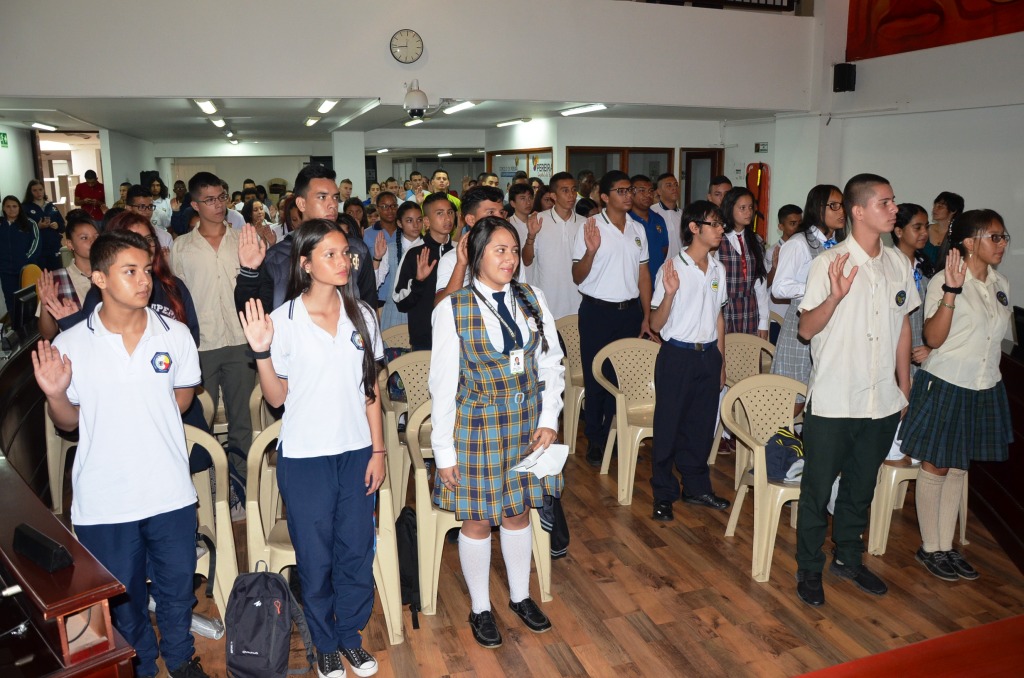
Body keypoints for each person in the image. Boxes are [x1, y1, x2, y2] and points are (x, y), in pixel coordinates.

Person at [34, 229, 209, 678]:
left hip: (168, 489)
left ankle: (180, 656)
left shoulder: (175, 334)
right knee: (121, 594)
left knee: (175, 589)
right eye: (129, 271)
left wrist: (139, 411)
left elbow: (185, 396)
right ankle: (141, 664)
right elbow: (68, 422)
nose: (143, 280)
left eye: (146, 270)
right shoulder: (72, 344)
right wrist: (55, 395)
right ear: (100, 278)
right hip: (105, 499)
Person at [239, 219, 385, 678]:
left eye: (347, 254)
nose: (344, 262)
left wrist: (378, 452)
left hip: (357, 452)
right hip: (304, 457)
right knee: (316, 556)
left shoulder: (363, 315)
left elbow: (371, 391)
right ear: (305, 264)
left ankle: (350, 638)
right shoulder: (283, 321)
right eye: (331, 255)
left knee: (357, 551)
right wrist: (262, 352)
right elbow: (276, 398)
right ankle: (324, 642)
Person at [429, 216, 565, 649]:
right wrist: (444, 452)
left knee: (518, 512)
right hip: (478, 425)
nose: (508, 259)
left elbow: (551, 364)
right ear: (475, 254)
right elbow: (442, 384)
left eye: (512, 249)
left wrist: (550, 418)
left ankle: (521, 597)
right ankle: (481, 607)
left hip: (527, 425)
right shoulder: (453, 308)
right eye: (498, 250)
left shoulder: (532, 297)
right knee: (477, 520)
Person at [794, 173, 917, 608]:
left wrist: (904, 385)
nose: (894, 209)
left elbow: (903, 324)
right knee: (816, 488)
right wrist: (835, 298)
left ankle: (847, 558)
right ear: (858, 211)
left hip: (881, 399)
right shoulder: (828, 265)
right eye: (885, 203)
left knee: (861, 487)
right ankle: (808, 567)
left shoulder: (900, 263)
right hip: (835, 398)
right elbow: (806, 330)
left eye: (893, 201)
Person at [901, 209, 1012, 582]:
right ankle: (930, 548)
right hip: (947, 382)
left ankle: (946, 547)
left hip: (983, 385)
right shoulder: (944, 282)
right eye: (993, 237)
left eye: (1003, 237)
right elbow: (932, 338)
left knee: (960, 465)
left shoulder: (1001, 284)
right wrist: (950, 290)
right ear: (968, 242)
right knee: (937, 465)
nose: (1001, 244)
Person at [649, 200, 730, 520]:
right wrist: (669, 294)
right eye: (715, 224)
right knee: (668, 427)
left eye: (722, 224)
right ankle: (664, 493)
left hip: (707, 356)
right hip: (677, 356)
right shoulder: (672, 268)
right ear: (694, 228)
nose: (721, 229)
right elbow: (655, 325)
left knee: (700, 427)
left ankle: (697, 488)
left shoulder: (718, 268)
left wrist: (721, 361)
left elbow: (719, 317)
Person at [171, 172, 254, 482]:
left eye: (221, 197)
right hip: (201, 345)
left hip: (239, 341)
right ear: (195, 204)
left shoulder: (244, 239)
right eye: (209, 200)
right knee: (199, 419)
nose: (218, 205)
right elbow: (178, 300)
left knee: (241, 419)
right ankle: (205, 482)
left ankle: (243, 480)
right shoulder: (182, 248)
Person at [572, 170, 652, 466]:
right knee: (597, 377)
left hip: (629, 312)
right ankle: (595, 438)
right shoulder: (591, 227)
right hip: (597, 311)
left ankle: (615, 435)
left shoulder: (637, 229)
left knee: (622, 378)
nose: (628, 195)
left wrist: (646, 315)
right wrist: (591, 252)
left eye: (630, 190)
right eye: (621, 191)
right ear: (604, 197)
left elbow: (643, 275)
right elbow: (577, 275)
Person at [770, 186, 844, 390]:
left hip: (828, 328)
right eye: (834, 206)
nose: (841, 212)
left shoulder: (837, 244)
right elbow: (779, 288)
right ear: (818, 208)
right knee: (792, 396)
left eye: (843, 206)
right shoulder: (799, 243)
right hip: (799, 327)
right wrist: (817, 288)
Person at [394, 192, 456, 349]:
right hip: (425, 338)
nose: (448, 218)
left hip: (457, 335)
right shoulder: (415, 252)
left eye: (450, 212)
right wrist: (418, 282)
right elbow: (400, 302)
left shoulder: (458, 251)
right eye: (440, 213)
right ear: (427, 221)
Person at [522, 172, 584, 320]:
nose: (571, 195)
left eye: (574, 190)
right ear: (553, 196)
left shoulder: (585, 223)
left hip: (577, 300)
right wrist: (531, 236)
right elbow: (527, 260)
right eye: (565, 190)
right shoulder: (539, 220)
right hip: (546, 300)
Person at [434, 186, 506, 307]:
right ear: (471, 220)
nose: (499, 218)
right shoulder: (452, 259)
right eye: (491, 212)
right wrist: (461, 265)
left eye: (501, 212)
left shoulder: (510, 254)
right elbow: (441, 306)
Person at [35, 210, 99, 340]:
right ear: (70, 244)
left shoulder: (112, 273)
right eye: (84, 238)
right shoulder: (56, 280)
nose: (93, 242)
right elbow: (48, 334)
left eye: (96, 237)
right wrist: (45, 304)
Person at [719, 187, 769, 338]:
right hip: (723, 308)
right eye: (742, 208)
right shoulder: (717, 239)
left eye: (750, 208)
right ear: (729, 208)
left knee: (748, 358)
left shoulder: (756, 240)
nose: (748, 212)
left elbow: (760, 283)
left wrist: (764, 320)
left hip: (750, 308)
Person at [891, 203, 933, 378]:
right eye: (917, 227)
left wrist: (930, 347)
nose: (925, 232)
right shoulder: (887, 265)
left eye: (926, 227)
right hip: (892, 357)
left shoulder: (925, 267)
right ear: (899, 231)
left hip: (921, 356)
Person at [380, 201, 423, 330]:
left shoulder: (429, 249)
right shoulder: (389, 249)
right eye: (409, 221)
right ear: (399, 223)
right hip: (394, 313)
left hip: (421, 313)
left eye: (419, 220)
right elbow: (375, 282)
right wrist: (376, 258)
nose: (415, 225)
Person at [1, 195, 41, 311]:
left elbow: (36, 244)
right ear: (3, 208)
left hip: (25, 269)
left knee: (29, 299)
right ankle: (16, 327)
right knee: (10, 299)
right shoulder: (1, 224)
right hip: (5, 271)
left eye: (14, 206)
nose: (11, 209)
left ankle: (33, 327)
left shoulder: (30, 223)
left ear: (19, 207)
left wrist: (25, 259)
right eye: (8, 206)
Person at [765, 203, 803, 325]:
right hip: (777, 315)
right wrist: (775, 269)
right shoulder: (772, 251)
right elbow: (764, 284)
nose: (798, 227)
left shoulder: (804, 248)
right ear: (781, 227)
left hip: (799, 314)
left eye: (800, 223)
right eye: (792, 223)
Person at [629, 174, 669, 287]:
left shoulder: (658, 219)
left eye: (651, 191)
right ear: (631, 193)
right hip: (633, 283)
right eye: (642, 190)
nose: (648, 194)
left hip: (656, 281)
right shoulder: (626, 220)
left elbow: (664, 249)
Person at [363, 192, 400, 310]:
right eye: (384, 206)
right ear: (377, 208)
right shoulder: (367, 234)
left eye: (393, 206)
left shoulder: (405, 232)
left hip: (401, 294)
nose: (390, 210)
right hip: (378, 294)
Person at [23, 179, 66, 271]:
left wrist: (57, 225)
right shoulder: (25, 208)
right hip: (38, 250)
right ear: (30, 192)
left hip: (54, 247)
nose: (38, 192)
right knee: (41, 278)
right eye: (35, 190)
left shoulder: (52, 207)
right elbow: (23, 230)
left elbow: (63, 227)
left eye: (40, 189)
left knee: (56, 275)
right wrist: (37, 227)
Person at [923, 191, 964, 274]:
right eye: (935, 205)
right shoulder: (924, 230)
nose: (935, 209)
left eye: (940, 206)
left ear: (953, 210)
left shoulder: (958, 236)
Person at [126, 184, 174, 251]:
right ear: (129, 208)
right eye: (142, 207)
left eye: (150, 206)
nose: (148, 211)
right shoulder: (120, 237)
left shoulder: (165, 237)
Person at [506, 183, 536, 283]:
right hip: (517, 278)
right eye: (523, 198)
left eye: (530, 198)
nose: (528, 202)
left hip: (536, 277)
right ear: (512, 203)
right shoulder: (507, 225)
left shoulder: (537, 221)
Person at [651, 173, 682, 260]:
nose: (674, 188)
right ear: (659, 191)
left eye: (676, 185)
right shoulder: (652, 213)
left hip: (680, 266)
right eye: (669, 185)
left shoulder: (683, 215)